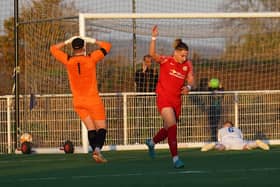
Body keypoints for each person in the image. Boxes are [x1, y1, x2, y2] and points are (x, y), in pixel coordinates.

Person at [50, 36, 111, 163]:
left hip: (78, 101)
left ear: (72, 48)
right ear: (84, 47)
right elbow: (107, 46)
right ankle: (97, 150)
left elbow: (53, 49)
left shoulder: (68, 60)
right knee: (102, 128)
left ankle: (96, 153)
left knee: (91, 128)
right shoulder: (91, 58)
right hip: (92, 100)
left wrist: (67, 41)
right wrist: (92, 40)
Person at [145, 25, 195, 168]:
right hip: (164, 99)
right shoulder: (166, 60)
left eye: (186, 55)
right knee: (172, 126)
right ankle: (176, 159)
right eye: (182, 55)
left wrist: (189, 87)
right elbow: (153, 54)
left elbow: (191, 79)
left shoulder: (187, 65)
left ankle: (151, 142)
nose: (185, 58)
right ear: (175, 53)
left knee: (168, 129)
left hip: (176, 101)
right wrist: (154, 37)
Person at [201, 120, 270, 151]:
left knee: (221, 147)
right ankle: (256, 143)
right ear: (232, 125)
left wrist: (219, 144)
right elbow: (241, 138)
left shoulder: (221, 130)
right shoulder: (237, 129)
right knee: (246, 146)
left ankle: (213, 145)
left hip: (226, 141)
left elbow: (220, 140)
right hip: (238, 140)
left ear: (224, 125)